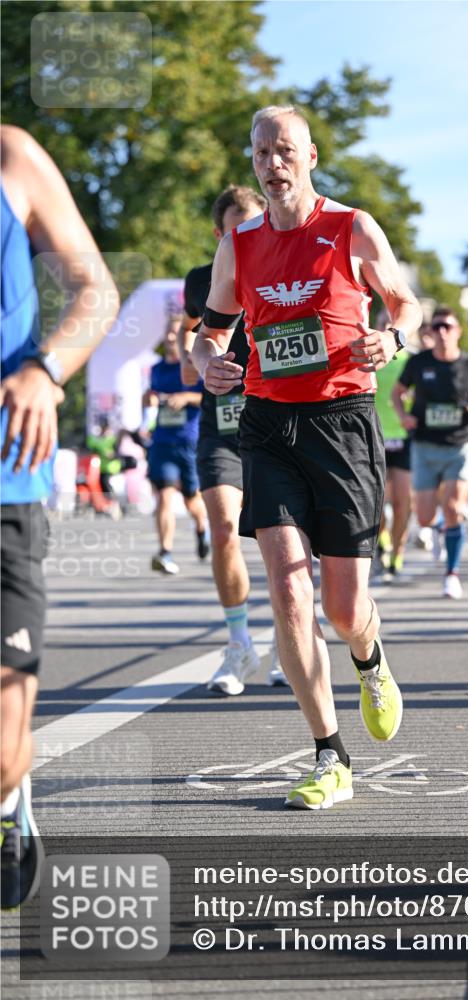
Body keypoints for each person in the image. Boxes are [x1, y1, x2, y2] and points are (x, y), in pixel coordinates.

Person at [192, 104, 421, 810]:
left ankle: (368, 655)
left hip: (343, 422)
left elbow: (405, 302)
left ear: (311, 155)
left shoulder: (349, 226)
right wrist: (208, 362)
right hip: (267, 425)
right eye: (261, 151)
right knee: (289, 592)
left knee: (344, 605)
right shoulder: (239, 241)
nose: (272, 162)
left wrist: (394, 338)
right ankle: (329, 753)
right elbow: (211, 330)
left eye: (285, 149)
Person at [0, 125, 119, 908]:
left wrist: (46, 370)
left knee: (3, 750)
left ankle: (11, 795)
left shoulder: (12, 158)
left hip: (5, 481)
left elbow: (96, 291)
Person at [177, 186, 287, 692]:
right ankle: (240, 646)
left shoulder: (289, 262)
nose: (244, 233)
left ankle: (291, 641)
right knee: (223, 529)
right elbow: (191, 334)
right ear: (220, 234)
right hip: (221, 425)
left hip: (275, 420)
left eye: (252, 222)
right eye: (234, 227)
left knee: (281, 544)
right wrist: (196, 359)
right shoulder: (202, 279)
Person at [392, 307, 468, 600]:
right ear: (429, 332)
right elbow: (396, 393)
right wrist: (403, 416)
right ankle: (440, 529)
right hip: (425, 444)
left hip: (458, 445)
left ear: (458, 331)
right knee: (424, 518)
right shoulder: (418, 362)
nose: (441, 332)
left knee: (452, 507)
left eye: (447, 327)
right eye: (436, 327)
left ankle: (452, 574)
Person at [145, 316, 209, 575]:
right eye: (168, 334)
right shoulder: (157, 369)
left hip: (189, 442)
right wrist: (147, 398)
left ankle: (202, 528)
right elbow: (150, 396)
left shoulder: (195, 367)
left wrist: (186, 397)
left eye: (175, 334)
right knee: (164, 497)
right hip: (162, 442)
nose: (171, 339)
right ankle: (165, 552)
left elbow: (209, 397)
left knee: (192, 499)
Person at [372, 311, 412, 583]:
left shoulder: (410, 362)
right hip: (374, 436)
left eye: (392, 323)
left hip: (403, 438)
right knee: (377, 501)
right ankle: (382, 540)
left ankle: (398, 554)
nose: (386, 327)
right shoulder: (368, 359)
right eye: (381, 323)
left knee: (402, 503)